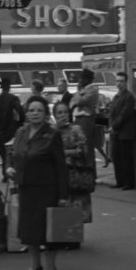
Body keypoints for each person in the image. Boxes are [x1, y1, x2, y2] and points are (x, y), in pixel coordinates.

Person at [7, 96, 69, 270]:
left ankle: (50, 268)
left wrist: (63, 195)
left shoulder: (52, 135)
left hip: (46, 189)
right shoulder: (21, 132)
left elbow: (61, 166)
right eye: (32, 110)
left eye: (39, 110)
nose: (35, 113)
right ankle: (34, 267)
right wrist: (9, 168)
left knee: (48, 231)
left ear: (45, 114)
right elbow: (13, 154)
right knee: (29, 230)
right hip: (26, 188)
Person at [53, 101, 92, 250]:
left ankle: (73, 238)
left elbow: (83, 150)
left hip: (75, 172)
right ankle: (61, 236)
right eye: (59, 113)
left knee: (76, 204)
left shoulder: (76, 129)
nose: (62, 115)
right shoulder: (52, 131)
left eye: (64, 112)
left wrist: (65, 153)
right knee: (62, 204)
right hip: (58, 174)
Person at [0, 78, 25, 179]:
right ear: (9, 87)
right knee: (10, 152)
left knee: (3, 152)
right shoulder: (14, 99)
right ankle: (8, 173)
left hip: (0, 130)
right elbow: (21, 114)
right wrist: (19, 123)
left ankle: (5, 174)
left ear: (1, 87)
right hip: (12, 130)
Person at [109, 72, 136, 190]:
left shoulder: (129, 97)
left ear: (126, 82)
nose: (119, 83)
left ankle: (129, 182)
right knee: (117, 158)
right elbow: (112, 113)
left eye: (121, 81)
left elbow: (124, 114)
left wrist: (114, 126)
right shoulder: (116, 97)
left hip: (125, 132)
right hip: (116, 132)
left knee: (126, 158)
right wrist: (111, 125)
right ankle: (119, 181)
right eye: (117, 81)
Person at [70, 69, 102, 170]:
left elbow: (79, 101)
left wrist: (78, 93)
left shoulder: (92, 90)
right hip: (79, 119)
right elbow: (72, 103)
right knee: (80, 145)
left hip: (86, 120)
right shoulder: (84, 90)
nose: (79, 80)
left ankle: (90, 173)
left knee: (87, 147)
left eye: (81, 78)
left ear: (87, 79)